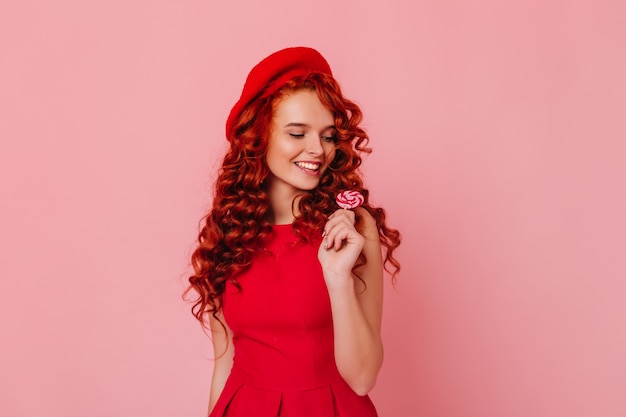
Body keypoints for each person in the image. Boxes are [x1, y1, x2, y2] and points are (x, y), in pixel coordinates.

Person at [186, 46, 401, 417]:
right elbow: (224, 365)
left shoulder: (352, 227)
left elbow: (363, 378)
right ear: (260, 136)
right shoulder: (227, 233)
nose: (317, 149)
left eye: (329, 135)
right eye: (297, 133)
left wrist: (337, 278)